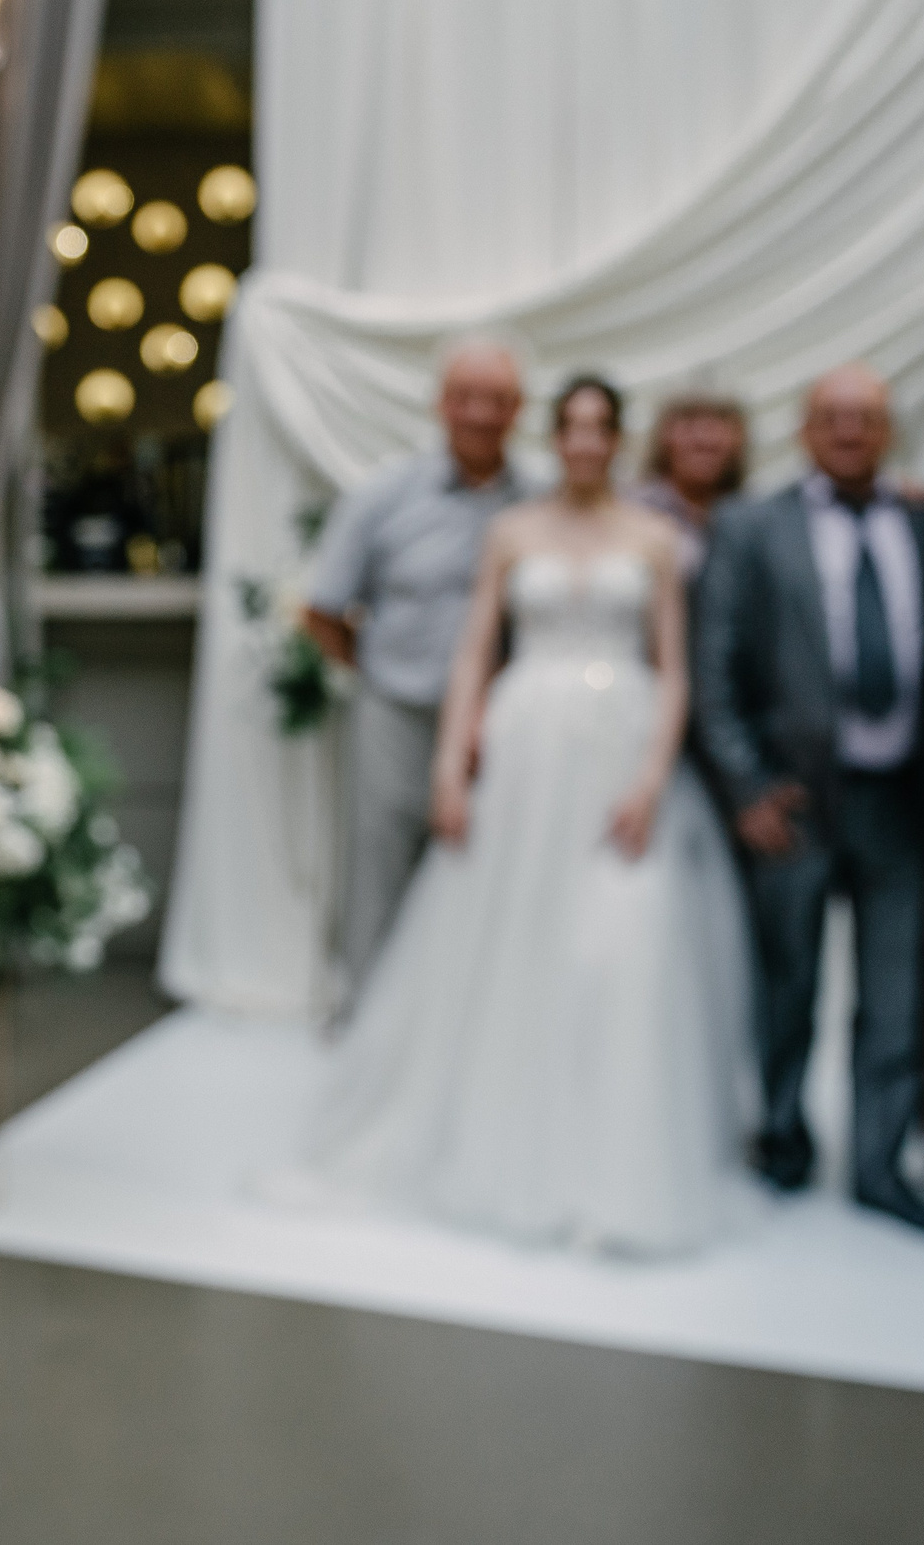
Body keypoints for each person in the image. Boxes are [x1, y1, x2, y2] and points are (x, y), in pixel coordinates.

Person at [288, 377, 755, 1255]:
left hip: (618, 742)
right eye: (569, 429)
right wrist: (451, 765)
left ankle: (614, 1153)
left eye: (598, 430)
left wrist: (653, 777)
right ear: (556, 437)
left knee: (620, 942)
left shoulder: (655, 536)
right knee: (513, 933)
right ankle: (495, 1129)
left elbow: (677, 669)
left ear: (618, 441)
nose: (583, 444)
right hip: (527, 741)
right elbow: (472, 657)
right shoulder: (513, 531)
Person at [692, 364, 924, 1235]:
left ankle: (881, 1166)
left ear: (891, 432)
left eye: (868, 418)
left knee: (895, 992)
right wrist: (747, 791)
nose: (850, 432)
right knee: (787, 982)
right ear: (805, 431)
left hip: (902, 798)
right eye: (833, 418)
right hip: (795, 800)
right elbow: (713, 671)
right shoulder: (750, 526)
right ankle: (782, 1141)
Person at [300, 339, 527, 1001]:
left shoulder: (541, 496)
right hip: (399, 710)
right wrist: (374, 671)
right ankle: (368, 1013)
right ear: (441, 405)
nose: (481, 414)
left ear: (518, 411)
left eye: (498, 401)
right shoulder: (383, 496)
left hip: (502, 723)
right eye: (467, 398)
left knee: (487, 865)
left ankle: (468, 1014)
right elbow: (324, 609)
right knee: (382, 862)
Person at [633, 392, 751, 580]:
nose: (704, 440)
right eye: (689, 427)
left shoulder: (754, 519)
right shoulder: (633, 512)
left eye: (717, 427)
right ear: (663, 438)